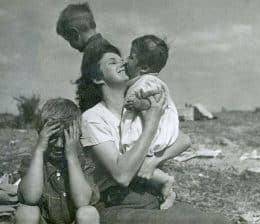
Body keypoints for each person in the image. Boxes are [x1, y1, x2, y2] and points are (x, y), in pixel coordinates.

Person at [77, 41, 231, 223]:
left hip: (152, 197)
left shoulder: (139, 106)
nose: (123, 62)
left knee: (218, 220)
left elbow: (182, 139)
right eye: (112, 62)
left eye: (123, 58)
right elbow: (122, 175)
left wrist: (153, 161)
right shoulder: (94, 117)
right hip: (118, 204)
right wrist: (151, 123)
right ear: (97, 77)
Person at [15, 98, 100, 224]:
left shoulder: (83, 162)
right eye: (52, 138)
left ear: (77, 136)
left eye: (66, 138)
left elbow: (83, 201)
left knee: (88, 213)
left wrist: (71, 156)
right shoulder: (33, 161)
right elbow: (30, 198)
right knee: (27, 211)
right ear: (40, 134)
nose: (59, 145)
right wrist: (39, 151)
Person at [121, 35, 181, 210]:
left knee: (135, 158)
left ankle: (166, 181)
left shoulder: (147, 82)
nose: (126, 60)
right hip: (153, 127)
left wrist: (139, 104)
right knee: (141, 165)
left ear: (144, 67)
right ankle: (165, 192)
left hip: (152, 129)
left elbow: (155, 102)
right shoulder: (144, 80)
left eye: (131, 57)